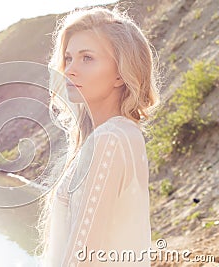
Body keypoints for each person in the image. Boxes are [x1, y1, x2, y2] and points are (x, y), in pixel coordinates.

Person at [35, 4, 161, 267]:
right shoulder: (120, 134)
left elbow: (82, 258)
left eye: (87, 58)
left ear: (120, 74)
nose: (69, 69)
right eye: (68, 58)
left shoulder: (111, 139)